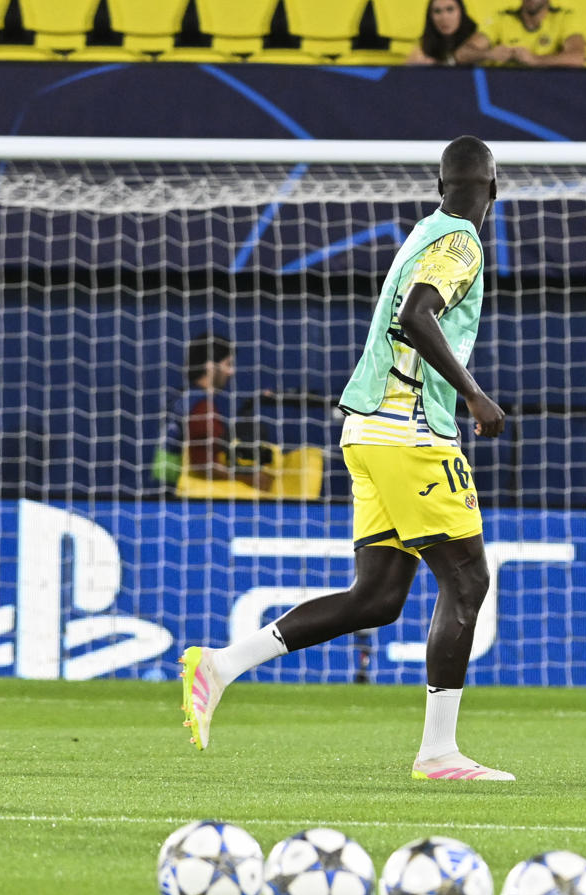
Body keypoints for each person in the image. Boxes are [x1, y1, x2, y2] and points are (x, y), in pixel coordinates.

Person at [182, 136, 514, 782]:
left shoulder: (423, 230)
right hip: (408, 427)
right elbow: (419, 316)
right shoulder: (462, 242)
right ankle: (439, 752)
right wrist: (475, 395)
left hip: (366, 428)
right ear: (493, 190)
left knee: (378, 596)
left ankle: (221, 665)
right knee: (468, 579)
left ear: (438, 183)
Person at [159, 334, 274, 494]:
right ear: (210, 367)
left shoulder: (180, 397)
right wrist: (248, 479)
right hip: (175, 495)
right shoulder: (202, 407)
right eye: (228, 364)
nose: (232, 372)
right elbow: (202, 465)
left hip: (163, 486)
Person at [457, 0, 586, 67]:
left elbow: (577, 57)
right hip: (506, 90)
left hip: (550, 90)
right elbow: (462, 54)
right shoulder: (502, 19)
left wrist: (535, 60)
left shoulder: (565, 18)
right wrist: (490, 54)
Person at [407, 0, 479, 65]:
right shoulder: (422, 48)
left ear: (461, 12)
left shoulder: (477, 39)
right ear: (430, 17)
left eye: (450, 9)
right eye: (437, 11)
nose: (444, 17)